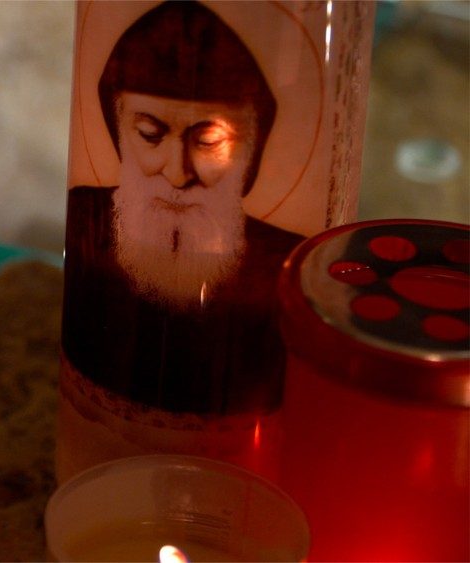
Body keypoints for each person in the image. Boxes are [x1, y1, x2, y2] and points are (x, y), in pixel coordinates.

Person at [61, 1, 305, 416]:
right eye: (149, 134)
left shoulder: (289, 261)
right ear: (118, 130)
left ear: (252, 148)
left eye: (209, 142)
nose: (177, 173)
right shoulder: (86, 218)